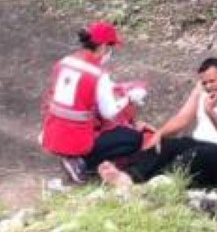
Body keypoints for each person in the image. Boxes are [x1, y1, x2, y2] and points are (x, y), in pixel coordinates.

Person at [101, 57, 217, 190]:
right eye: (204, 82)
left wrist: (210, 111)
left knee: (195, 156)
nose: (208, 86)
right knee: (165, 146)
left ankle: (154, 188)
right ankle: (127, 177)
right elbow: (183, 118)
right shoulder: (201, 89)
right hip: (198, 143)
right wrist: (159, 134)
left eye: (212, 81)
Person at [40, 21, 146, 183]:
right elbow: (108, 112)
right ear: (103, 47)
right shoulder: (98, 74)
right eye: (110, 47)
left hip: (52, 131)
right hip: (76, 137)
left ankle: (72, 156)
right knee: (133, 139)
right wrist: (129, 98)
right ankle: (81, 162)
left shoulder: (65, 62)